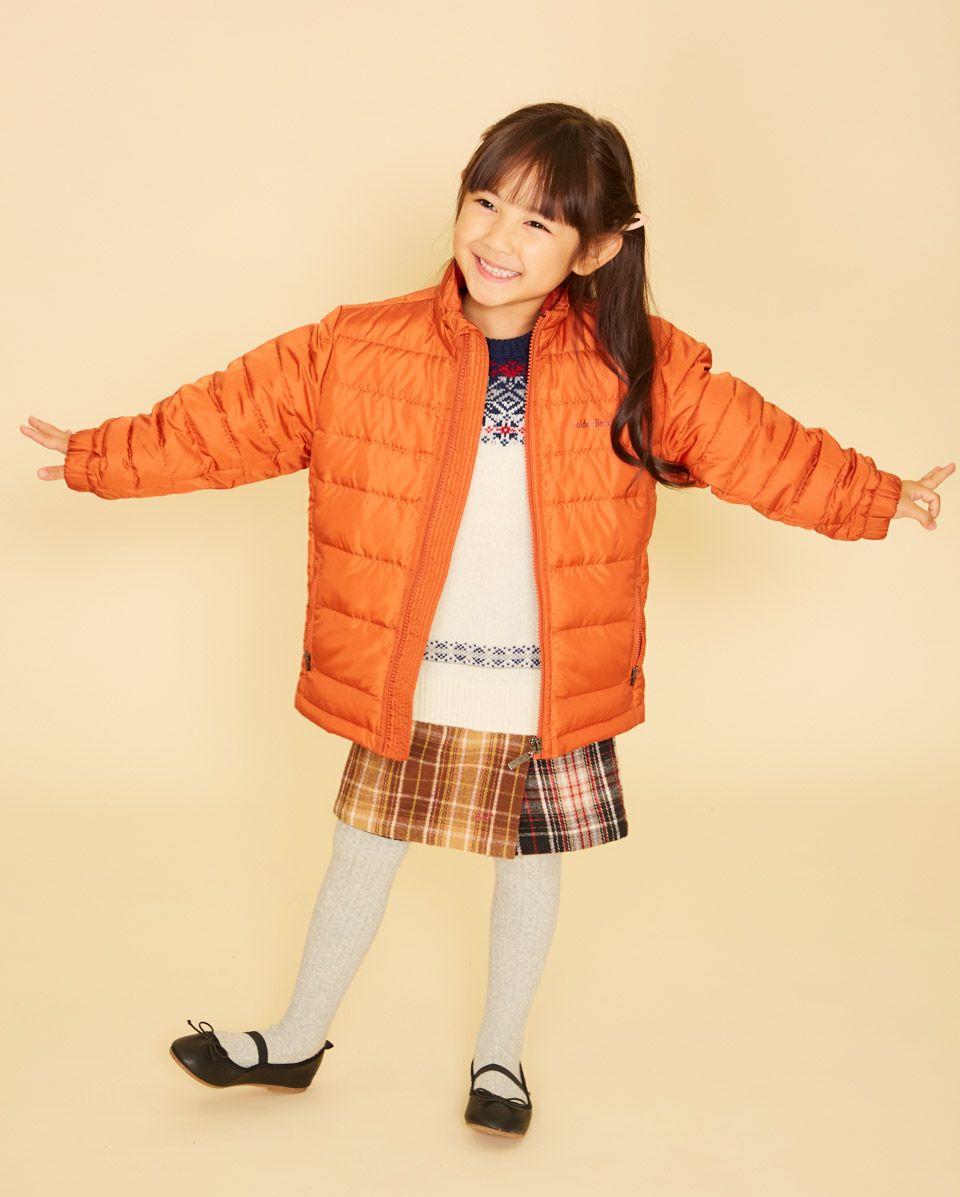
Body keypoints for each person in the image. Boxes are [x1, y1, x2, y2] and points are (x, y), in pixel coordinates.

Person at [20, 101, 953, 1140]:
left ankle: (499, 1056)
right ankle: (294, 1041)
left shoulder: (637, 362)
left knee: (528, 864)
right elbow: (225, 421)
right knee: (361, 850)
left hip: (547, 680)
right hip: (409, 667)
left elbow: (761, 447)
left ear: (595, 249)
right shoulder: (357, 346)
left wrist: (878, 495)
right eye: (485, 201)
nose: (497, 238)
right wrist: (102, 456)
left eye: (538, 222)